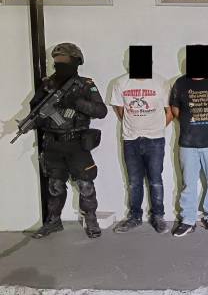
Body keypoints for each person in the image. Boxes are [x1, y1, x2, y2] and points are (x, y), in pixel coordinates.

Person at [30, 43, 107, 239]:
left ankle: (91, 220)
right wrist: (39, 117)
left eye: (64, 60)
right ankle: (53, 222)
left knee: (85, 185)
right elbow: (35, 110)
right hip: (52, 143)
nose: (60, 64)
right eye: (57, 61)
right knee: (55, 185)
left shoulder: (85, 84)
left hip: (76, 144)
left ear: (76, 61)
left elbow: (101, 111)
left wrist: (76, 102)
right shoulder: (47, 85)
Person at [170, 45, 208, 237]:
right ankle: (188, 219)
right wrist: (192, 124)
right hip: (188, 144)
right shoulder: (180, 83)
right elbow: (175, 110)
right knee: (188, 184)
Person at [110, 45, 173, 234]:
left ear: (150, 62)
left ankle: (158, 216)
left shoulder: (161, 82)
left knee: (155, 180)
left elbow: (170, 111)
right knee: (134, 181)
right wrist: (132, 125)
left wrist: (157, 127)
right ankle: (134, 217)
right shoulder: (121, 83)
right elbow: (119, 109)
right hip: (131, 140)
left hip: (155, 140)